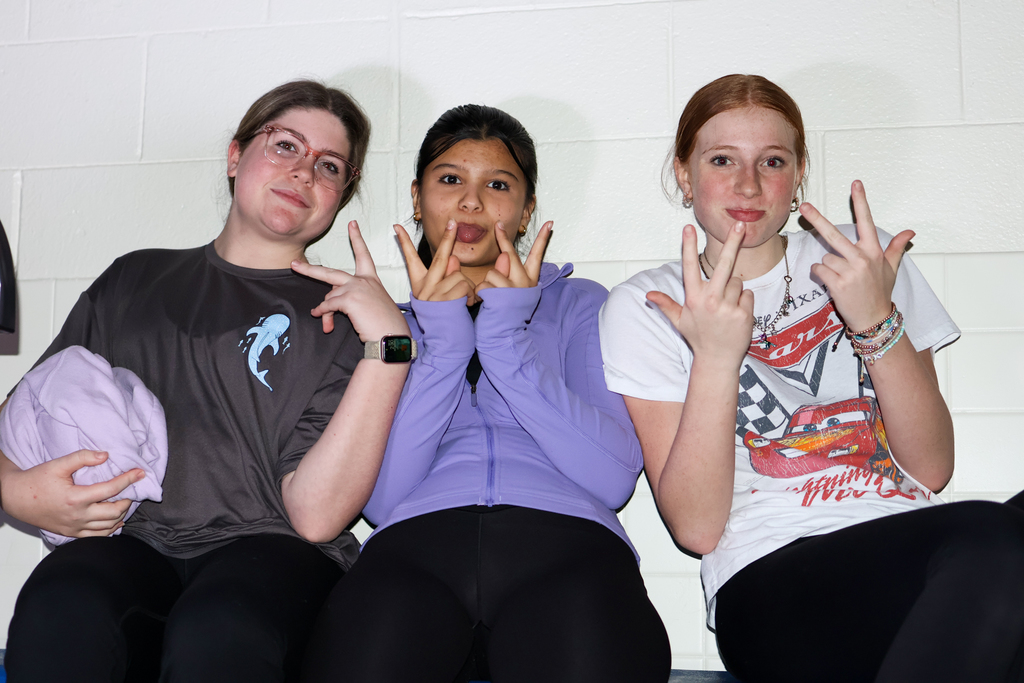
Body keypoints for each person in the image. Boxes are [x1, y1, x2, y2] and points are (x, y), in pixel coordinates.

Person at [600, 73, 1024, 683]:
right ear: (685, 174)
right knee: (992, 539)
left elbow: (930, 468)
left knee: (998, 546)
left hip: (917, 552)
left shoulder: (860, 259)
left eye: (771, 161)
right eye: (722, 160)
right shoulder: (650, 303)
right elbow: (695, 529)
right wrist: (717, 360)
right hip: (774, 582)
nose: (748, 184)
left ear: (799, 174)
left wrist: (877, 316)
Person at [0, 79, 412, 682]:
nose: (303, 172)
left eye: (328, 165)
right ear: (235, 154)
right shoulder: (134, 279)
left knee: (219, 630)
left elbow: (316, 518)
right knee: (58, 604)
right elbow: (21, 410)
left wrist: (389, 349)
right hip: (132, 540)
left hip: (275, 550)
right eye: (286, 146)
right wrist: (14, 490)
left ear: (340, 196)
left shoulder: (350, 317)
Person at [301, 104, 670, 683]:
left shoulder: (579, 305)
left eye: (498, 185)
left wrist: (503, 340)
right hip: (413, 552)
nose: (471, 203)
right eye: (450, 180)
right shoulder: (384, 329)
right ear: (417, 199)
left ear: (526, 213)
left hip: (569, 549)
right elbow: (382, 498)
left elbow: (613, 476)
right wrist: (442, 342)